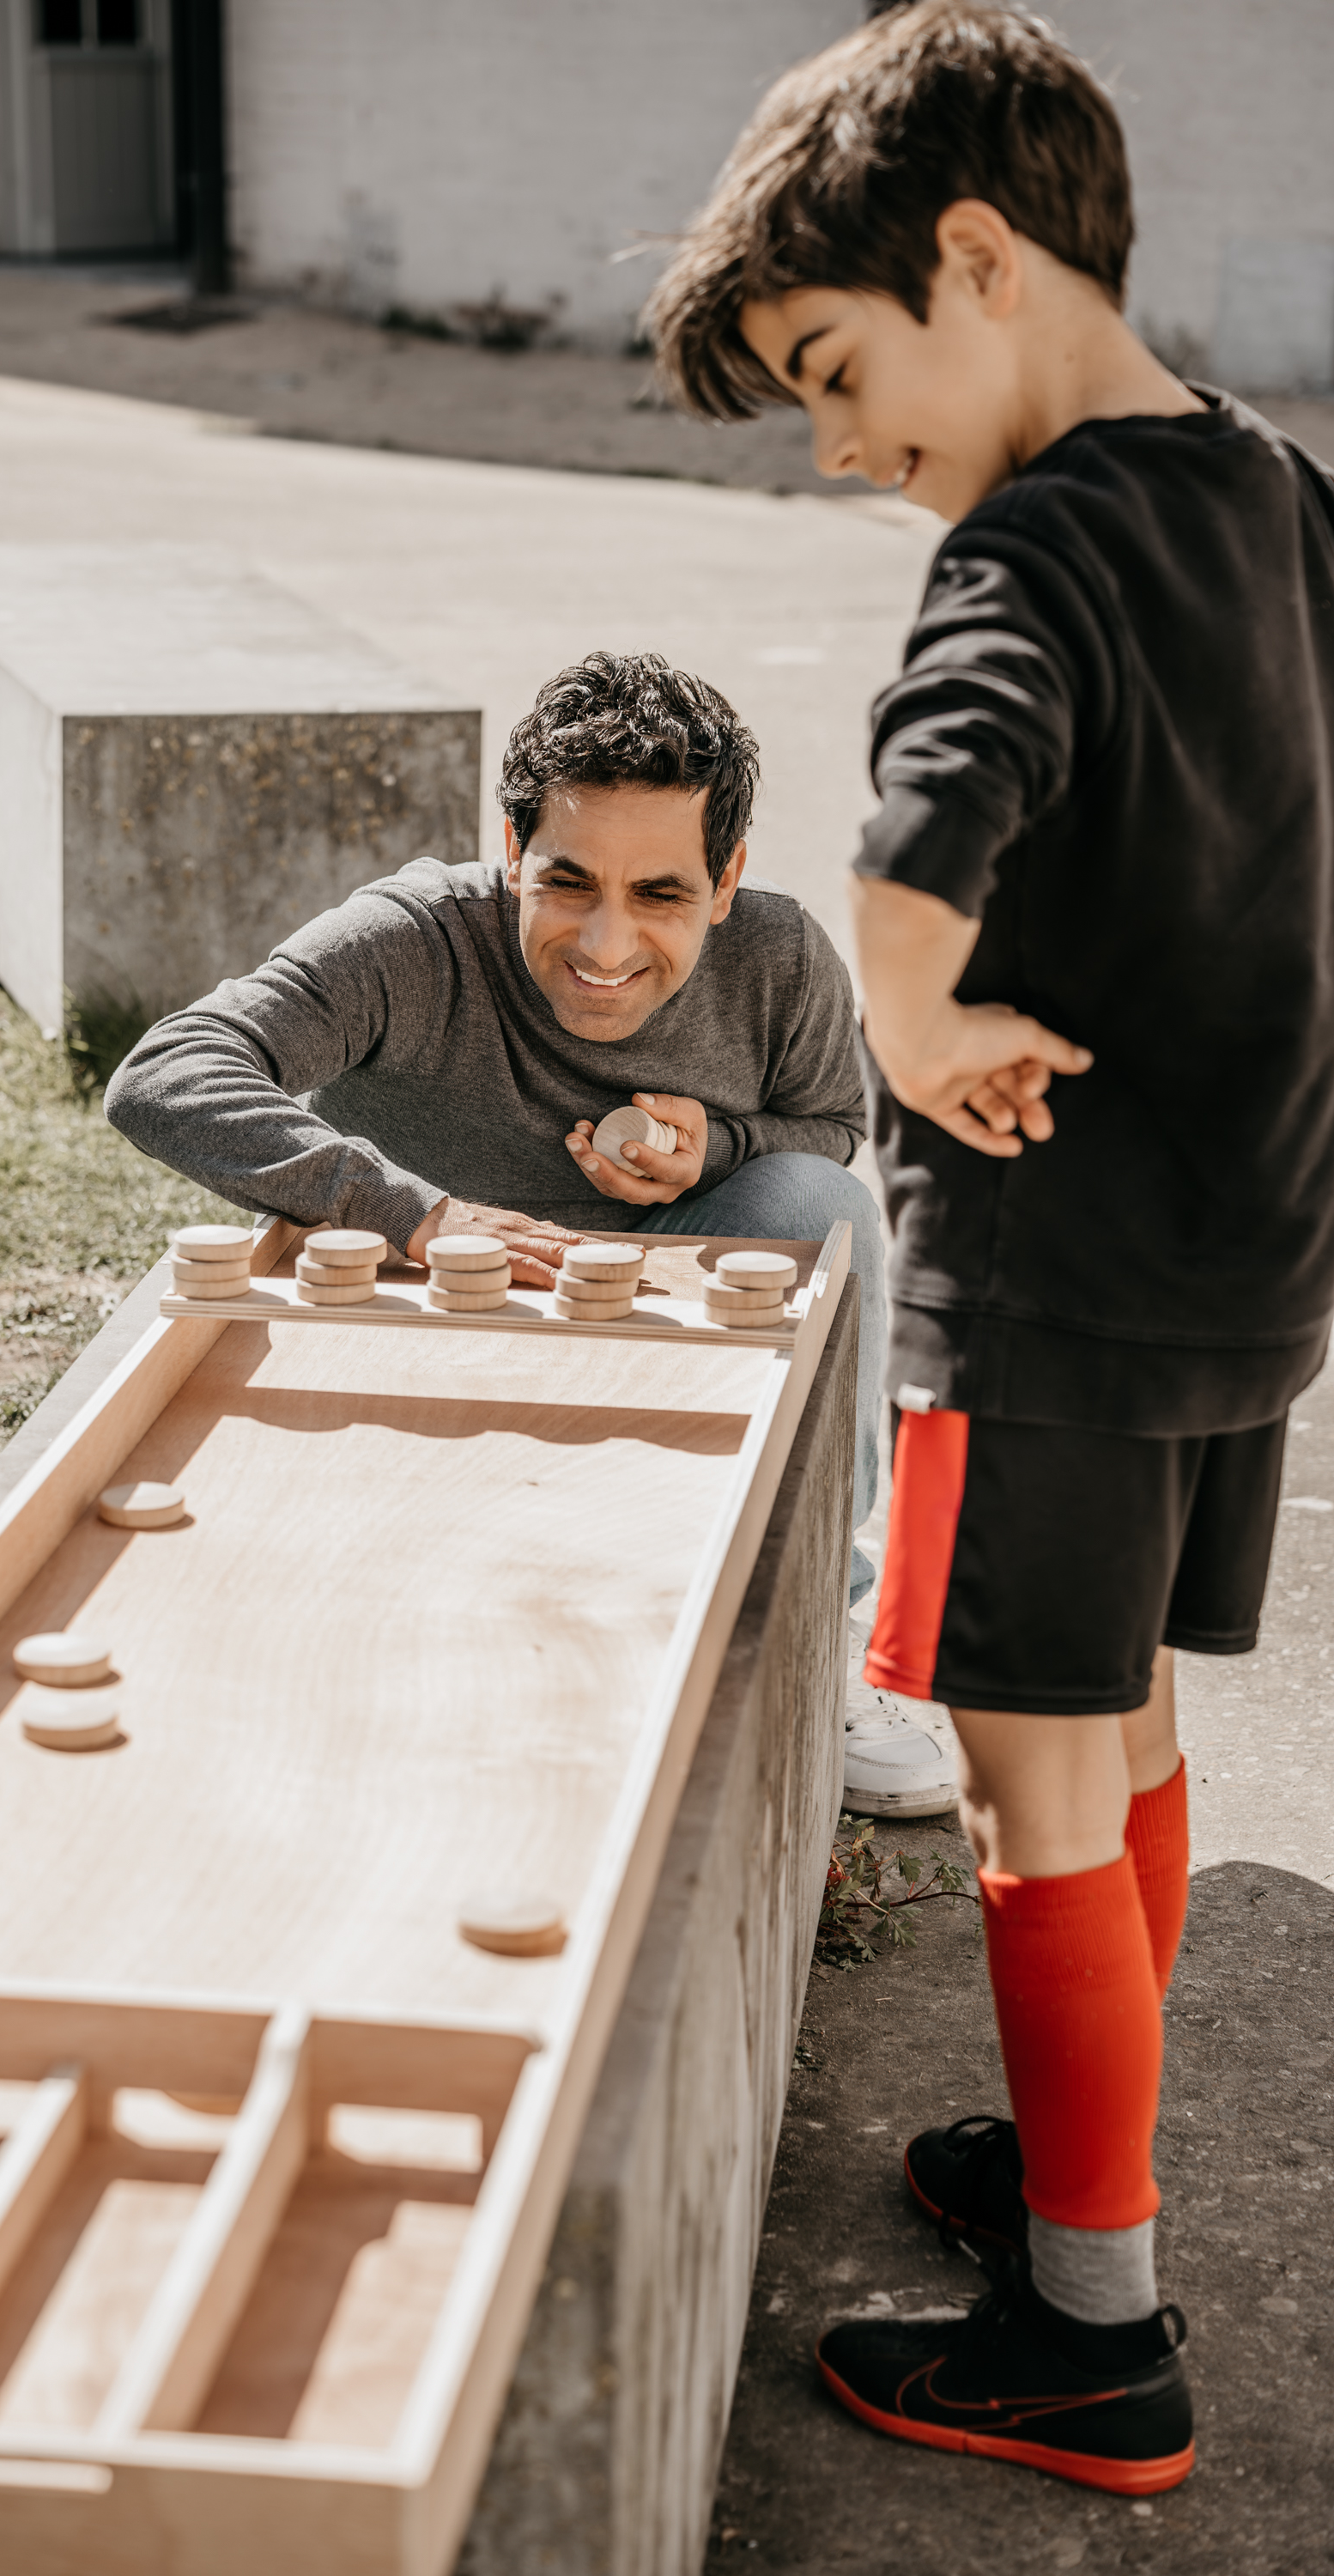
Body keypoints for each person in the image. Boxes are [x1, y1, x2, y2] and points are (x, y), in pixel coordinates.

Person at [647, 0, 1334, 2499]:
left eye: (837, 371)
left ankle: (1094, 2331)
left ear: (975, 253)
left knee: (1032, 1785)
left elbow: (923, 827)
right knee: (1134, 1725)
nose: (842, 449)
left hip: (1047, 1299)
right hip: (1246, 1268)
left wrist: (918, 1023)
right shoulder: (1270, 487)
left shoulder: (1024, 545)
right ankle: (1084, 2171)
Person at [104, 652, 929, 1802]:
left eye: (661, 895)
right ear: (512, 850)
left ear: (727, 877)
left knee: (821, 1209)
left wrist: (720, 1148)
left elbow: (835, 1123)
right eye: (569, 882)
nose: (604, 947)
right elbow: (165, 1072)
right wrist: (420, 1214)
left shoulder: (780, 958)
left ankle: (814, 1637)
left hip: (656, 1315)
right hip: (423, 1334)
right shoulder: (411, 939)